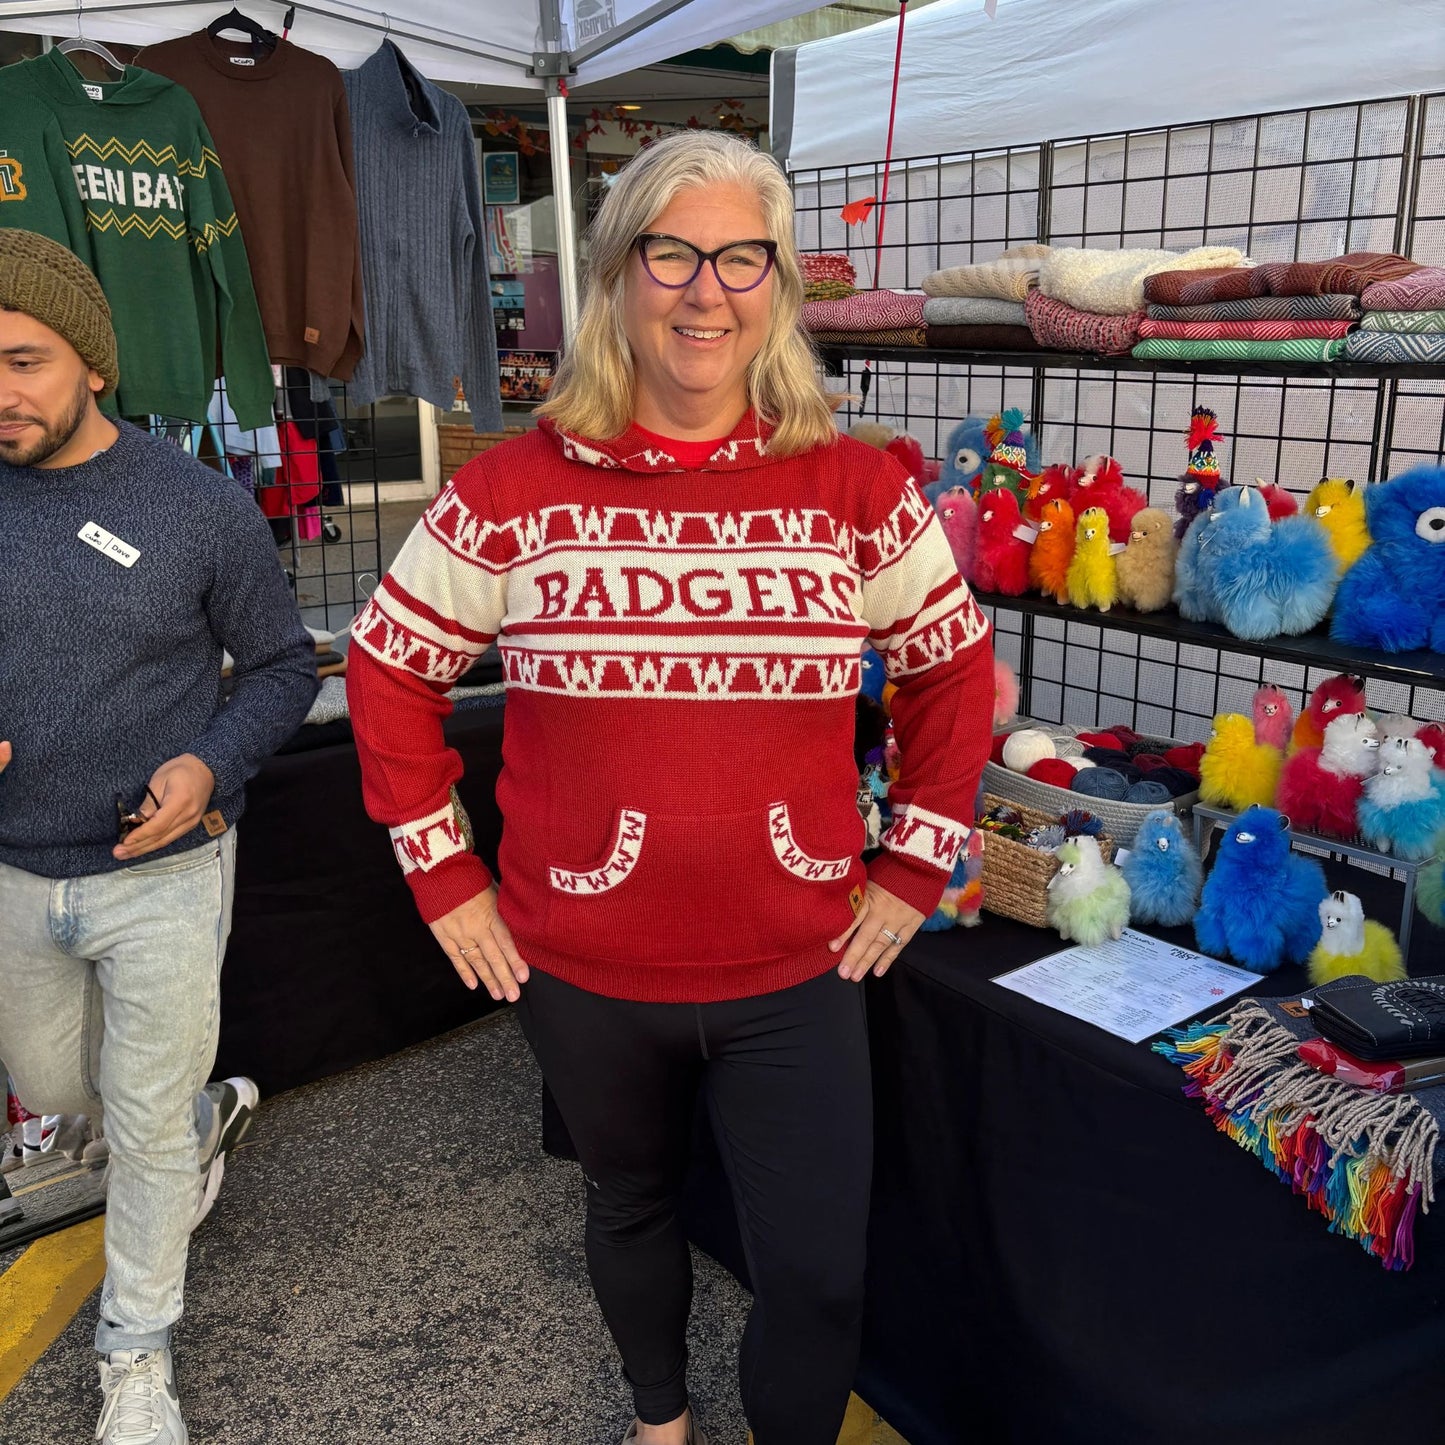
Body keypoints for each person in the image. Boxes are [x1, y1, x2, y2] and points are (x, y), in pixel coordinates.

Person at [346, 132, 994, 1445]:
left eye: (741, 257)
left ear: (780, 287)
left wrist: (918, 860)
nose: (707, 291)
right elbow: (385, 666)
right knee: (628, 1202)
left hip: (797, 964)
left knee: (815, 1270)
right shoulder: (512, 492)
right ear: (615, 277)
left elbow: (952, 671)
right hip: (581, 965)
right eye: (673, 253)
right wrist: (445, 874)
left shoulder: (856, 490)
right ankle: (659, 1418)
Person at [0, 229, 319, 1445]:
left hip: (167, 870)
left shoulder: (196, 506)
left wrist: (207, 764)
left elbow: (284, 666)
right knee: (65, 1088)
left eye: (25, 360)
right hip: (17, 868)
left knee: (130, 1120)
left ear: (91, 361)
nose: (2, 393)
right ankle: (192, 1121)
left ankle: (135, 1354)